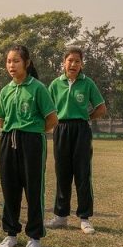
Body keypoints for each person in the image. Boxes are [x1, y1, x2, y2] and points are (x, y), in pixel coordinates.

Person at [0, 45, 58, 247]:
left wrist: (33, 132)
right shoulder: (5, 90)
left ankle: (34, 236)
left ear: (27, 63)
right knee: (9, 188)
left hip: (32, 141)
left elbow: (51, 120)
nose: (11, 65)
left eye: (16, 61)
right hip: (8, 140)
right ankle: (11, 233)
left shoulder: (38, 88)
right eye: (9, 61)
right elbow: (1, 119)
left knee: (33, 189)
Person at [47, 47, 107, 235]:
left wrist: (86, 117)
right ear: (63, 62)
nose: (73, 64)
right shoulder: (55, 84)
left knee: (82, 173)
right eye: (70, 60)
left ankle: (84, 218)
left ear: (81, 64)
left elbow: (101, 108)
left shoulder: (87, 83)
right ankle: (61, 216)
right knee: (62, 172)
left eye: (77, 61)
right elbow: (47, 108)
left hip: (81, 129)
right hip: (61, 128)